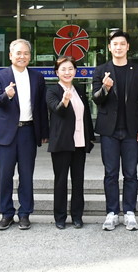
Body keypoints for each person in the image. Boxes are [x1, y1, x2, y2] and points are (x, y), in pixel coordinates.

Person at [92, 30, 138, 231]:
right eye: (115, 44)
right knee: (110, 173)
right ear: (110, 47)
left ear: (128, 47)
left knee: (131, 173)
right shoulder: (101, 70)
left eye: (122, 44)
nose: (118, 47)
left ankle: (130, 212)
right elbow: (96, 99)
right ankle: (112, 212)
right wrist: (105, 88)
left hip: (132, 131)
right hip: (109, 131)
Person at [0, 39, 49, 231]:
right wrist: (6, 95)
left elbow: (41, 107)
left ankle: (25, 213)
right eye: (18, 53)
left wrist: (44, 131)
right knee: (5, 176)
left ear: (30, 56)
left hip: (28, 132)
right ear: (10, 55)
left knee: (26, 175)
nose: (22, 56)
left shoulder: (37, 77)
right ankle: (6, 213)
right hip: (6, 133)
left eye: (26, 53)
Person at [46, 55, 95, 229]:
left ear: (75, 71)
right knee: (61, 181)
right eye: (63, 69)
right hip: (61, 143)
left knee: (78, 181)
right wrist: (65, 100)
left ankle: (77, 216)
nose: (67, 72)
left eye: (70, 69)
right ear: (57, 72)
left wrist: (90, 137)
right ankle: (60, 217)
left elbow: (86, 115)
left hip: (79, 142)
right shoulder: (52, 91)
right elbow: (57, 110)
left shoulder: (79, 89)